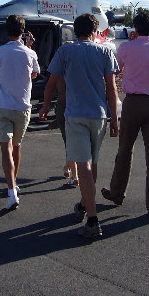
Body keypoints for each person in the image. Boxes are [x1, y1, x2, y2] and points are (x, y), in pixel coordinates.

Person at [39, 13, 119, 239]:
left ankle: (93, 219)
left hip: (75, 115)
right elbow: (111, 89)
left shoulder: (65, 52)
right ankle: (85, 204)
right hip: (99, 115)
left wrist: (45, 107)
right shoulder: (105, 51)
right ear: (95, 32)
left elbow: (51, 84)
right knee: (92, 163)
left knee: (83, 164)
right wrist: (115, 118)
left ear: (76, 31)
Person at [101, 12, 149, 218]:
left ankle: (118, 192)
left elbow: (116, 70)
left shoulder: (126, 47)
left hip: (133, 103)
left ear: (135, 28)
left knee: (125, 149)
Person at [0, 15, 40, 210]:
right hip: (22, 107)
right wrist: (29, 46)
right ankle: (14, 183)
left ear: (7, 30)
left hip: (2, 106)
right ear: (23, 30)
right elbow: (35, 73)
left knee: (5, 149)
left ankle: (11, 191)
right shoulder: (30, 53)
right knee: (16, 147)